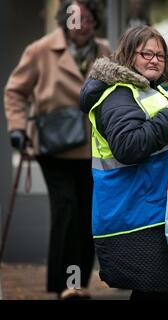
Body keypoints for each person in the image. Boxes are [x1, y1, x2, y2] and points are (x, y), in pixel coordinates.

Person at [79, 25, 168, 300]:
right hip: (138, 218)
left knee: (163, 294)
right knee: (156, 295)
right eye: (146, 54)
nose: (155, 60)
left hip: (160, 213)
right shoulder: (119, 95)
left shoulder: (154, 93)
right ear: (129, 56)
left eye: (160, 55)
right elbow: (128, 146)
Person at [3, 0, 110, 299]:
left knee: (88, 216)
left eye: (87, 17)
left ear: (95, 20)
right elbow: (15, 91)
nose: (80, 23)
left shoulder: (104, 51)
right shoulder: (41, 49)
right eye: (74, 16)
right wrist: (18, 128)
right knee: (66, 212)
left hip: (92, 149)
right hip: (54, 147)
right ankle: (66, 285)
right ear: (65, 18)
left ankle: (77, 285)